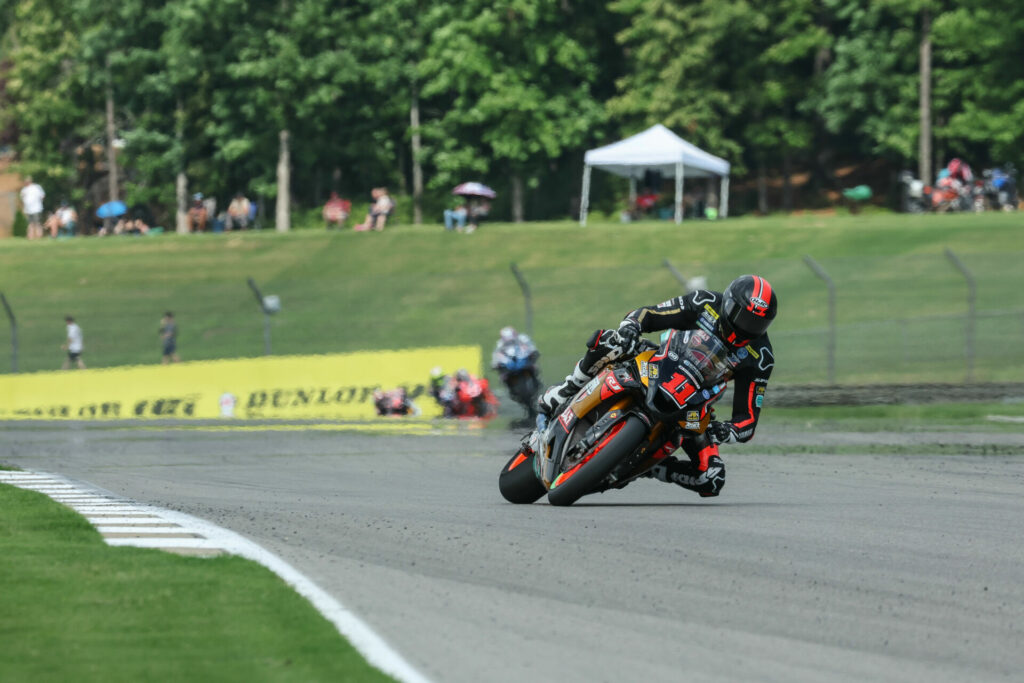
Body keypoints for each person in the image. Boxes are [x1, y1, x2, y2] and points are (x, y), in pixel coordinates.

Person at [537, 274, 778, 498]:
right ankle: (567, 390)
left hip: (693, 404)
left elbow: (747, 420)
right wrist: (632, 328)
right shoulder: (704, 302)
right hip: (661, 360)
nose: (747, 328)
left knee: (711, 479)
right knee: (610, 341)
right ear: (728, 305)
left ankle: (653, 468)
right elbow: (648, 314)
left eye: (757, 324)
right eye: (743, 317)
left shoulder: (760, 356)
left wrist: (728, 431)